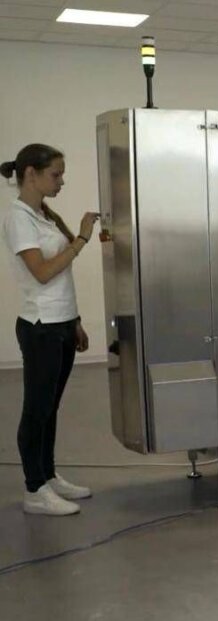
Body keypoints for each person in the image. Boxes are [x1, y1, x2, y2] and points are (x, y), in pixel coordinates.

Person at [1, 144, 99, 516]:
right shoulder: (19, 218)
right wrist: (82, 239)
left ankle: (48, 476)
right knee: (36, 410)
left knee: (51, 407)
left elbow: (62, 274)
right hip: (40, 326)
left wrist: (75, 321)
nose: (61, 181)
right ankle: (34, 490)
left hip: (61, 323)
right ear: (31, 174)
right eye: (55, 175)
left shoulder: (43, 214)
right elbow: (42, 273)